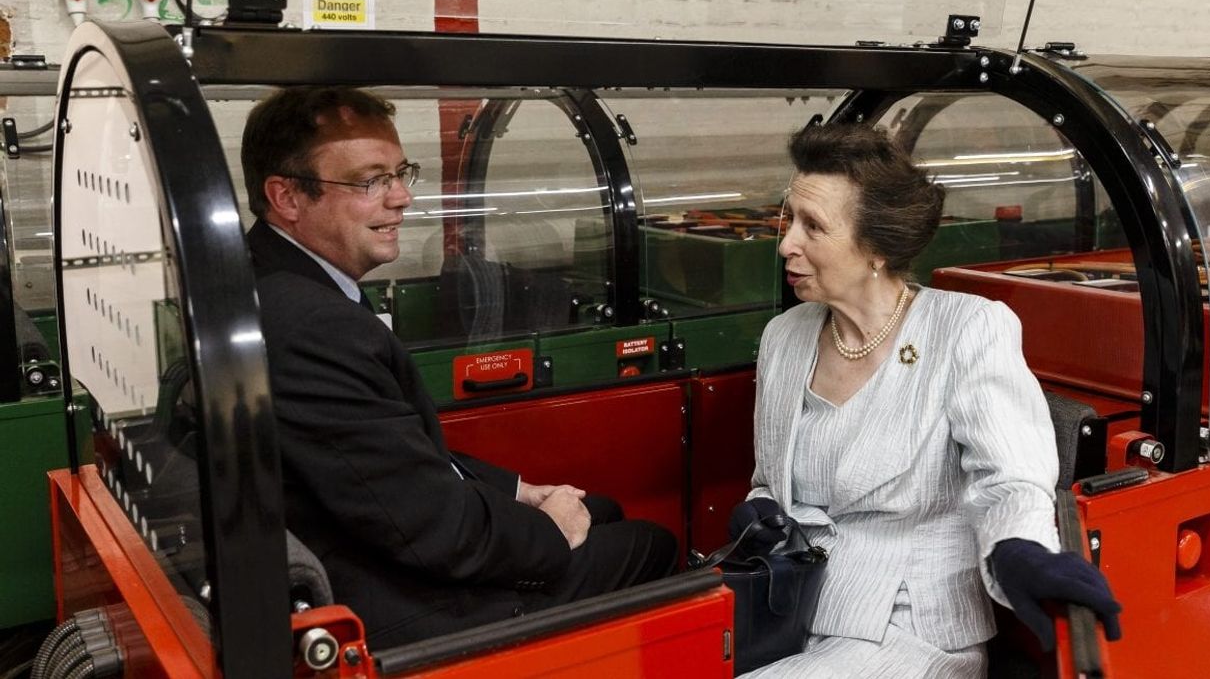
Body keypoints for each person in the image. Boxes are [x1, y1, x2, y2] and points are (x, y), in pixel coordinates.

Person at [241, 86, 677, 649]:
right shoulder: (310, 325)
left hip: (374, 542)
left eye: (402, 173)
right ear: (287, 196)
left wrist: (518, 492)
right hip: (394, 601)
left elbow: (391, 452)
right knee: (651, 544)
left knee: (603, 510)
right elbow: (434, 531)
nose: (401, 198)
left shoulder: (282, 280)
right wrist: (546, 533)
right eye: (371, 180)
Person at [730, 124, 1121, 677]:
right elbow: (770, 480)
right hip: (787, 610)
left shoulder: (968, 328)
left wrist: (1021, 551)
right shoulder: (786, 336)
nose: (787, 242)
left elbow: (1010, 479)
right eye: (788, 218)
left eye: (812, 226)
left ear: (876, 248)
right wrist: (764, 507)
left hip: (912, 631)